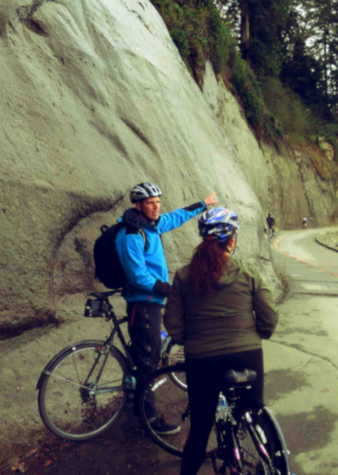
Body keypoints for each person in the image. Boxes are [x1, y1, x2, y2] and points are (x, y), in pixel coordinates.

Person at [163, 207, 278, 475]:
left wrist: (187, 340)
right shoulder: (249, 272)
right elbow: (269, 317)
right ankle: (270, 464)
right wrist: (259, 333)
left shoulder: (182, 276)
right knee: (255, 414)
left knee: (201, 426)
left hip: (201, 358)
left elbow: (174, 326)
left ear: (205, 239)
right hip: (246, 353)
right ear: (232, 239)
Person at [116, 182, 219, 435]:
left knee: (143, 356)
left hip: (150, 302)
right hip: (142, 304)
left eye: (158, 202)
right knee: (149, 363)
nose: (156, 207)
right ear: (138, 206)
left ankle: (133, 401)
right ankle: (148, 419)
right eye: (151, 203)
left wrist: (202, 205)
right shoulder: (131, 234)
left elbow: (174, 218)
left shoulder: (151, 225)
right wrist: (167, 288)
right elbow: (138, 276)